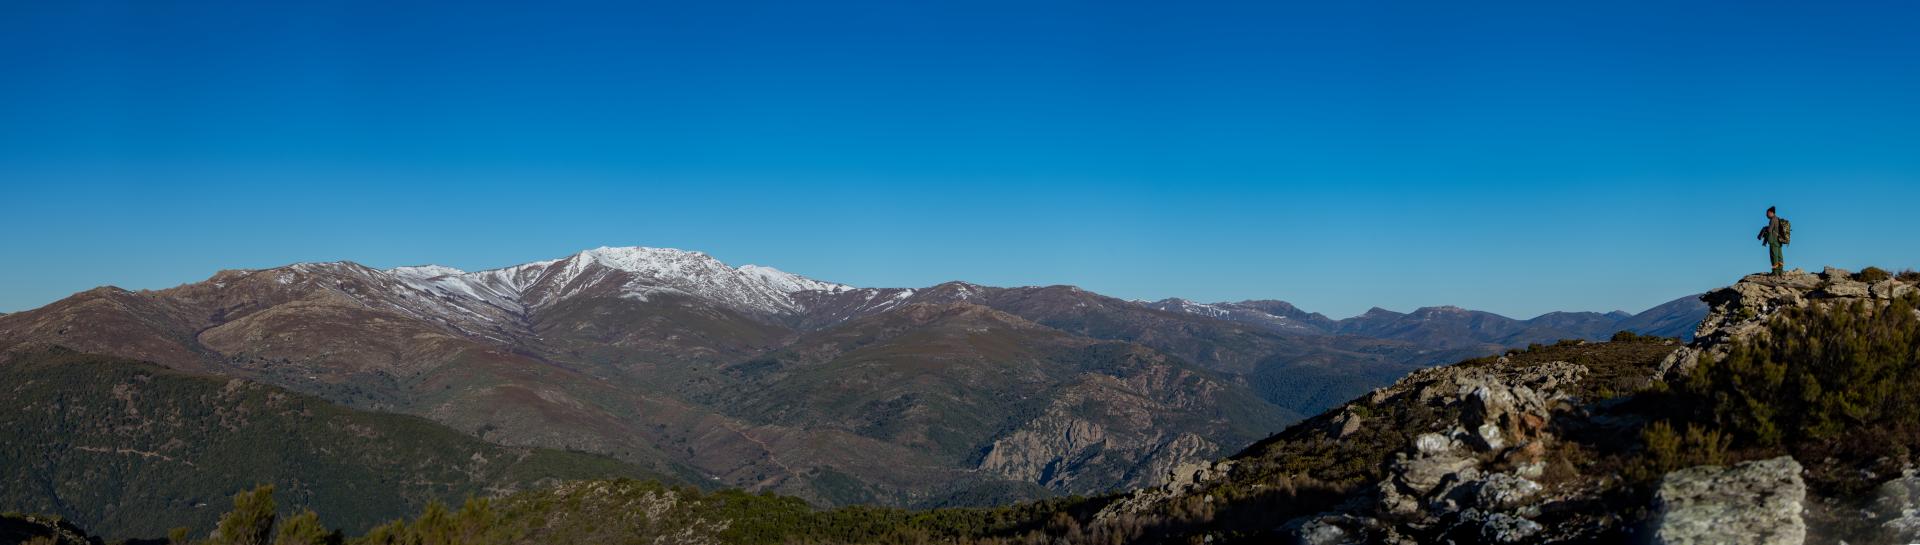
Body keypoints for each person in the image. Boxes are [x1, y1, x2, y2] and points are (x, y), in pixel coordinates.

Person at [1757, 206, 1787, 275]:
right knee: (1780, 256)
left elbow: (1770, 230)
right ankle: (1780, 271)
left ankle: (1775, 272)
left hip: (1773, 240)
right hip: (1779, 241)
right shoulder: (1778, 219)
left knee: (1774, 256)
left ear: (1771, 213)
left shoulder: (1773, 219)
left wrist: (1765, 237)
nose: (1766, 215)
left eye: (1767, 213)